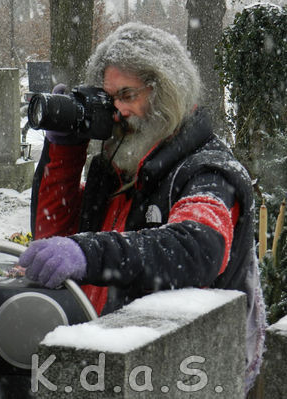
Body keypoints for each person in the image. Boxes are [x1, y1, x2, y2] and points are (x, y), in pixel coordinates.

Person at [19, 23, 265, 393]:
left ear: (165, 93)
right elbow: (54, 233)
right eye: (107, 97)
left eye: (127, 95)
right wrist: (66, 151)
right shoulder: (118, 168)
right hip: (107, 359)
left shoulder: (209, 172)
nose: (116, 111)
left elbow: (197, 248)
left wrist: (90, 253)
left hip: (181, 372)